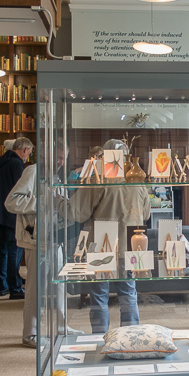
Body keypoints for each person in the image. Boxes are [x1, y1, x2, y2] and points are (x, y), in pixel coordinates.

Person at [62, 140, 150, 334]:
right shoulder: (138, 180)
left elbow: (77, 213)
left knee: (99, 296)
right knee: (129, 293)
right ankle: (130, 339)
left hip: (102, 246)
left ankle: (99, 339)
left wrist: (57, 202)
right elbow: (146, 214)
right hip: (132, 246)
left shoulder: (99, 179)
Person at [4, 140, 81, 346]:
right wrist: (44, 201)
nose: (59, 161)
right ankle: (31, 334)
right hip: (36, 240)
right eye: (57, 157)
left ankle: (60, 326)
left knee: (59, 286)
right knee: (36, 290)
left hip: (54, 238)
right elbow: (11, 202)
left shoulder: (55, 176)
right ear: (46, 155)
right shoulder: (33, 171)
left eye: (63, 158)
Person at [0, 137, 31, 298]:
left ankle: (2, 284)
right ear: (24, 149)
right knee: (14, 251)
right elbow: (21, 188)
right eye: (29, 152)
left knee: (2, 249)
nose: (28, 156)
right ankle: (15, 286)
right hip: (11, 213)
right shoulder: (16, 164)